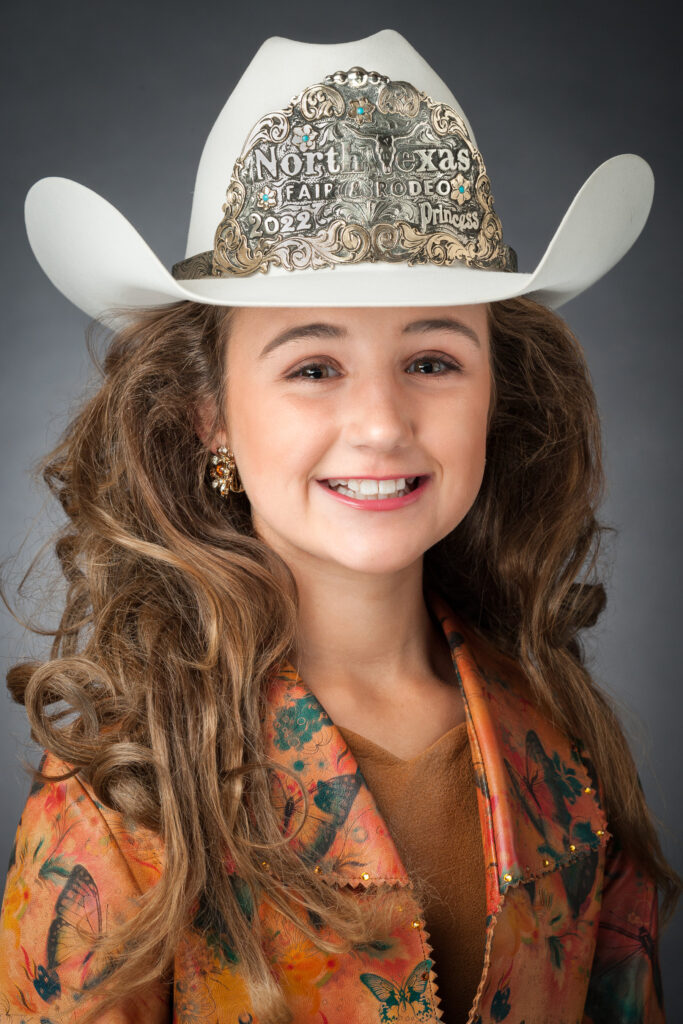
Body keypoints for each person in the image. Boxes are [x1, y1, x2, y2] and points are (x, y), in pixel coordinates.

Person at [0, 28, 679, 1024]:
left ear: (494, 394)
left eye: (433, 360)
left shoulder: (560, 740)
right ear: (211, 415)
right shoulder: (127, 800)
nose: (380, 423)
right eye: (313, 366)